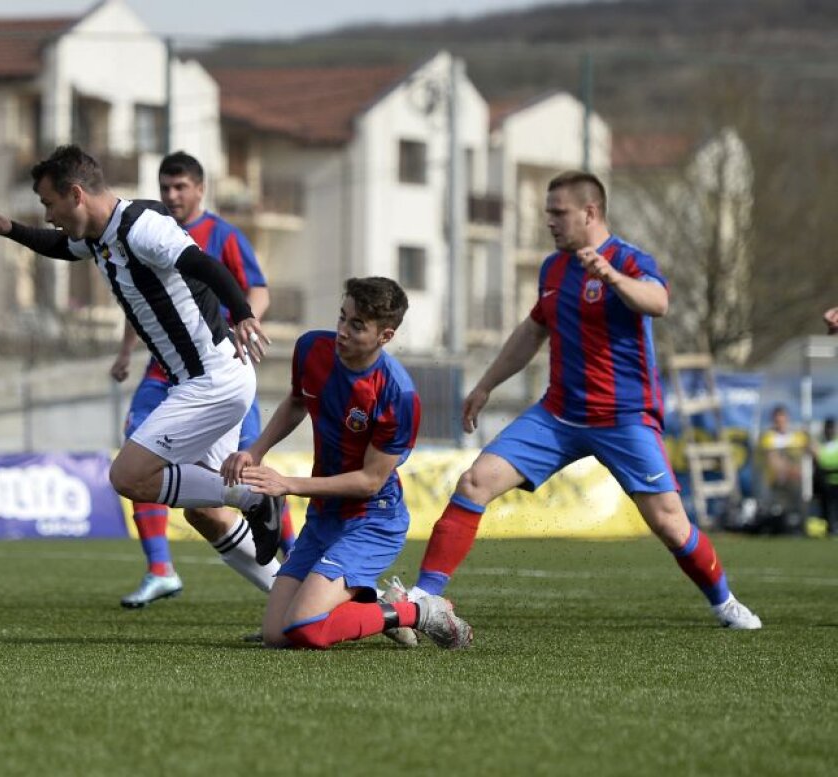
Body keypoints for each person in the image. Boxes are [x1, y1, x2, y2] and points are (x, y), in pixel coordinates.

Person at [392, 170, 761, 639]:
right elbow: (532, 331)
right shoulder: (553, 269)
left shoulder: (628, 259)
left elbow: (659, 301)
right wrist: (485, 385)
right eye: (548, 213)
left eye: (558, 213)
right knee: (474, 481)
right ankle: (426, 596)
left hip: (625, 419)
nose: (549, 221)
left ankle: (724, 601)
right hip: (558, 415)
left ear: (590, 213)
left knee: (670, 524)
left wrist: (610, 276)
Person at [0, 145, 285, 574]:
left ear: (76, 194)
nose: (47, 214)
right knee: (204, 513)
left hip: (213, 378)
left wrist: (242, 313)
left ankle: (255, 496)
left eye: (48, 202)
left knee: (128, 477)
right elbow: (59, 245)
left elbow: (204, 265)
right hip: (205, 378)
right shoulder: (97, 236)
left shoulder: (141, 227)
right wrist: (9, 229)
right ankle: (290, 604)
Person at [221, 277, 471, 650]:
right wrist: (255, 451)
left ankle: (417, 612)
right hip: (325, 517)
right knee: (278, 635)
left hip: (372, 521)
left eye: (356, 326)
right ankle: (376, 605)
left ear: (385, 336)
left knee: (305, 628)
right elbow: (295, 401)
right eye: (342, 317)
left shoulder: (397, 394)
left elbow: (371, 481)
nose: (342, 331)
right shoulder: (311, 348)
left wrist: (287, 484)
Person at [108, 151, 296, 609]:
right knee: (138, 453)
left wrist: (245, 322)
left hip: (217, 367)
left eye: (181, 187)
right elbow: (138, 299)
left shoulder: (222, 235)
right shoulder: (141, 230)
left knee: (242, 473)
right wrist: (126, 350)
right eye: (165, 187)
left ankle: (299, 570)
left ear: (200, 189)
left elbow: (257, 290)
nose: (172, 196)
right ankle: (159, 569)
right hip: (161, 371)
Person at [757, 405, 809, 518]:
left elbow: (811, 450)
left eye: (782, 418)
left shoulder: (797, 436)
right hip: (777, 480)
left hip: (796, 479)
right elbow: (772, 460)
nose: (780, 422)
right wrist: (790, 470)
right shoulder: (768, 437)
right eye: (777, 419)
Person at [814, 417, 838, 536]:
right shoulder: (821, 444)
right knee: (829, 507)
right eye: (828, 428)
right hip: (826, 483)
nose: (830, 430)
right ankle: (831, 529)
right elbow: (821, 462)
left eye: (831, 428)